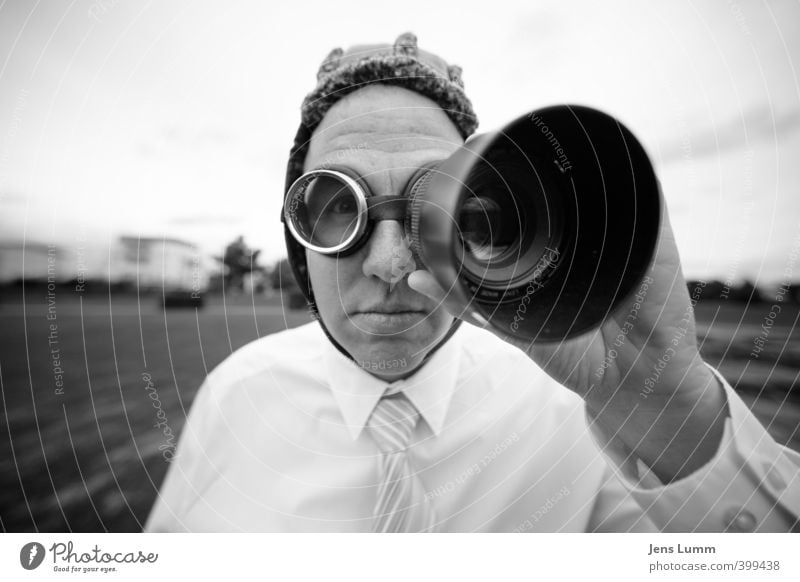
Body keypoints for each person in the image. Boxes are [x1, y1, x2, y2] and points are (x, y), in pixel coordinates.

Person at [145, 33, 799, 532]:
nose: (390, 262)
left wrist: (670, 414)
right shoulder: (235, 397)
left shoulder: (583, 422)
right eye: (336, 206)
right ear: (297, 238)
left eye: (434, 211)